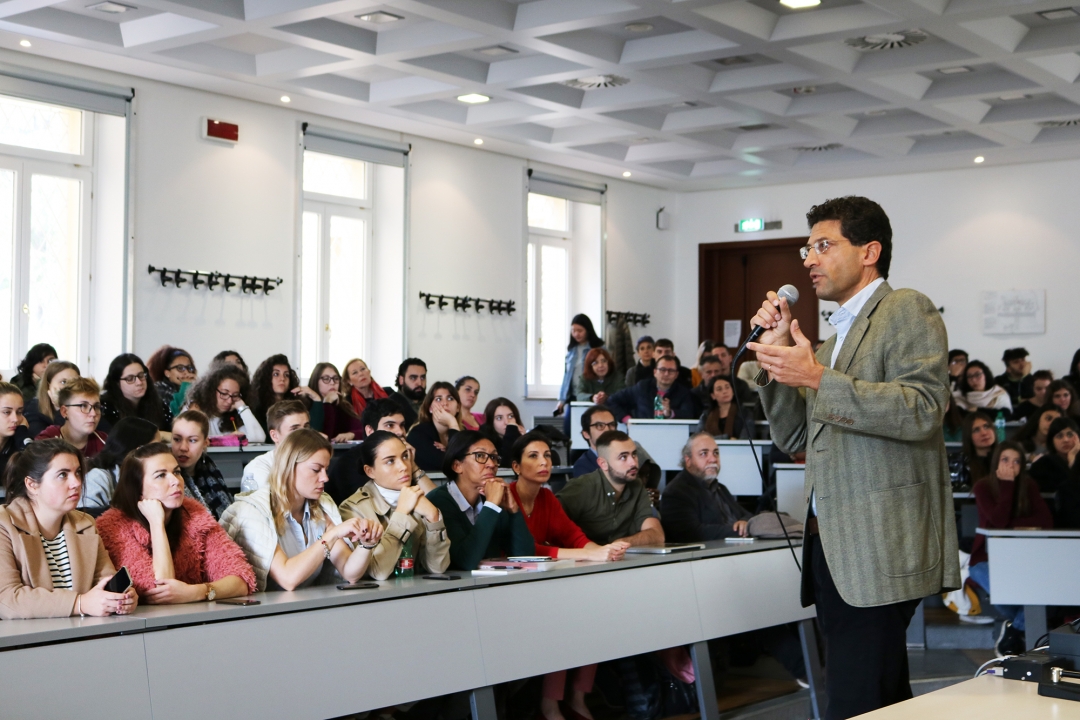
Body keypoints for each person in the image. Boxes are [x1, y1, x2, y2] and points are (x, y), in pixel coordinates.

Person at [746, 195, 958, 719]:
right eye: (807, 248)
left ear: (870, 251)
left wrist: (816, 375)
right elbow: (797, 436)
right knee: (878, 697)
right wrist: (777, 362)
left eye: (823, 245)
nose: (809, 260)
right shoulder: (837, 336)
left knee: (856, 699)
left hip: (880, 542)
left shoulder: (905, 308)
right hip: (835, 545)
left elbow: (924, 408)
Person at [509, 432, 627, 720]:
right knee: (562, 625)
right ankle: (550, 705)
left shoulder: (547, 497)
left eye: (547, 455)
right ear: (516, 467)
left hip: (542, 590)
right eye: (533, 456)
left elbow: (572, 535)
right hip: (509, 591)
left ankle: (577, 698)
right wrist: (586, 554)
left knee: (591, 620)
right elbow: (522, 550)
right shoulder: (506, 496)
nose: (544, 461)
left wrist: (604, 551)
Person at [219, 429, 382, 591]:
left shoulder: (322, 504)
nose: (325, 477)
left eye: (326, 469)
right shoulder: (252, 511)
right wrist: (331, 535)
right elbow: (288, 579)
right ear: (289, 467)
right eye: (316, 470)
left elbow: (349, 572)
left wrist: (366, 545)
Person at [96, 442, 257, 604]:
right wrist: (156, 524)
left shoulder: (194, 513)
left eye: (177, 472)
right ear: (137, 488)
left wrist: (197, 591)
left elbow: (242, 579)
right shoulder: (113, 526)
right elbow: (160, 591)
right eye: (161, 475)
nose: (175, 481)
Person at [0, 438, 137, 618]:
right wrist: (80, 603)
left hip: (81, 635)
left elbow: (104, 582)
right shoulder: (4, 524)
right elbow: (7, 599)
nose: (77, 483)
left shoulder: (85, 523)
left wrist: (119, 598)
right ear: (32, 485)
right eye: (63, 475)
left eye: (78, 472)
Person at [967, 442, 1053, 657]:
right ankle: (1021, 627)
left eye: (1016, 461)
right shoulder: (983, 487)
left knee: (1039, 590)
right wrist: (1007, 486)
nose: (1011, 466)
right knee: (1006, 590)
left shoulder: (1029, 486)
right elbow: (997, 521)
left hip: (1023, 558)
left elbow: (1045, 521)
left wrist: (1010, 523)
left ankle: (1014, 630)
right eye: (1005, 460)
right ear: (996, 462)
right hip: (984, 558)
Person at [338, 431, 449, 581]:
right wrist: (402, 513)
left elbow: (437, 567)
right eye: (390, 461)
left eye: (405, 456)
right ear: (370, 471)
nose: (403, 466)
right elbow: (380, 572)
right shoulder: (352, 508)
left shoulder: (418, 499)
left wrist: (434, 517)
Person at [427, 431, 535, 570]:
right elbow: (466, 561)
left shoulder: (491, 499)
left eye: (494, 457)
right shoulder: (439, 501)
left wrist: (513, 510)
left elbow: (525, 557)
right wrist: (490, 506)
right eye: (480, 456)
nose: (491, 464)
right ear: (457, 466)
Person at [557, 431, 664, 547]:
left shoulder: (636, 485)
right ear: (603, 464)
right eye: (623, 457)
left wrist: (619, 545)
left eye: (634, 454)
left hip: (620, 559)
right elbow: (550, 528)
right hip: (582, 560)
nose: (633, 462)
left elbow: (657, 534)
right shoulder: (581, 487)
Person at [660, 433, 751, 541]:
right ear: (688, 460)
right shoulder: (675, 492)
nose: (713, 459)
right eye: (704, 453)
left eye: (716, 453)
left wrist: (745, 522)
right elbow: (692, 533)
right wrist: (739, 531)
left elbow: (747, 515)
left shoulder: (720, 488)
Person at [80, 417, 159, 512]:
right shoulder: (97, 478)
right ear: (138, 450)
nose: (161, 453)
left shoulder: (149, 476)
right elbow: (87, 518)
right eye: (156, 448)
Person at [170, 410, 234, 519]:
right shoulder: (167, 478)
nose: (183, 447)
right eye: (177, 439)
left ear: (205, 443)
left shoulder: (211, 470)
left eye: (192, 440)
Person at [183, 363, 266, 443]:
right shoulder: (195, 407)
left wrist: (242, 407)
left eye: (235, 395)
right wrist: (228, 438)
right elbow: (191, 438)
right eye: (224, 393)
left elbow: (259, 437)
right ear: (211, 391)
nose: (229, 401)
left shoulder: (235, 416)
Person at [241, 400, 310, 493]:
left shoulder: (312, 462)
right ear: (274, 436)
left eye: (306, 427)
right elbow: (269, 504)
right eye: (294, 429)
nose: (304, 434)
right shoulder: (257, 468)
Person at [607, 355, 695, 421]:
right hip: (642, 433)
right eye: (662, 370)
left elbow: (689, 414)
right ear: (655, 372)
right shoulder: (642, 387)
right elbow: (612, 400)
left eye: (671, 371)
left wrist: (670, 413)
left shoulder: (683, 392)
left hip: (671, 435)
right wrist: (627, 419)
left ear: (676, 375)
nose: (666, 374)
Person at [36, 378, 108, 459]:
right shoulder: (47, 441)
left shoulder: (104, 441)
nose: (93, 413)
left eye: (96, 406)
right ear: (65, 412)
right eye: (83, 406)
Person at [99, 354, 172, 432]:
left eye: (141, 375)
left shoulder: (158, 404)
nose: (139, 382)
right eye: (130, 379)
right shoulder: (105, 407)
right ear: (116, 383)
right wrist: (160, 434)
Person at [406, 382, 463, 472]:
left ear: (458, 408)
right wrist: (452, 423)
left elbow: (470, 463)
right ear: (430, 408)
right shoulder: (418, 434)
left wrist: (448, 451)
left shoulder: (462, 432)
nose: (445, 403)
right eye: (439, 399)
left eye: (450, 398)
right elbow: (452, 466)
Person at [555, 314, 604, 417]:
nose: (576, 334)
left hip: (591, 395)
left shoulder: (599, 348)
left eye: (580, 330)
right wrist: (562, 400)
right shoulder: (571, 351)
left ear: (587, 330)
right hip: (573, 396)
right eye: (573, 330)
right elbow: (566, 377)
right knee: (568, 428)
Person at [251, 355, 312, 435]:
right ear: (266, 378)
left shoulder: (299, 403)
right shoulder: (257, 407)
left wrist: (317, 399)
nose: (282, 379)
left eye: (286, 375)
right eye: (276, 374)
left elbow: (312, 433)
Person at [305, 362, 363, 441]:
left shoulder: (343, 405)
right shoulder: (307, 405)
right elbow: (324, 437)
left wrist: (352, 434)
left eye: (335, 378)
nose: (332, 383)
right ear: (315, 381)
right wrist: (327, 403)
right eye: (326, 379)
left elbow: (363, 430)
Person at [24, 360, 79, 438]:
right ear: (48, 385)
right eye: (63, 382)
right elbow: (48, 444)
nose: (70, 387)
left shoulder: (84, 406)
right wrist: (59, 408)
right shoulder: (34, 409)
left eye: (75, 382)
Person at [1029, 417, 1080, 493]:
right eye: (1059, 436)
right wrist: (1071, 463)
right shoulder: (1042, 465)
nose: (1066, 440)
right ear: (1051, 441)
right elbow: (1066, 492)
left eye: (1070, 435)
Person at [949, 412, 997, 490]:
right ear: (968, 436)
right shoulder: (958, 462)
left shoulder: (1006, 458)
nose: (984, 433)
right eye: (976, 430)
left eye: (986, 426)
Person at [147, 346, 197, 414]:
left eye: (189, 368)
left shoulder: (194, 389)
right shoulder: (159, 390)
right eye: (180, 368)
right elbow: (177, 414)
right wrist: (186, 385)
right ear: (167, 373)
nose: (186, 372)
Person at [479, 397, 526, 469]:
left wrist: (525, 441)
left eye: (510, 416)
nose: (507, 422)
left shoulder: (518, 435)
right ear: (491, 422)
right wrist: (511, 431)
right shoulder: (484, 441)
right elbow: (506, 463)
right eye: (499, 418)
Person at [0, 383, 32, 479]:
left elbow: (35, 464)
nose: (15, 419)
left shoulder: (19, 441)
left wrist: (22, 432)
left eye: (19, 412)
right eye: (6, 412)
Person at [388, 358, 427, 429]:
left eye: (422, 378)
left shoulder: (431, 401)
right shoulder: (390, 404)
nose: (419, 383)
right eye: (413, 378)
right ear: (401, 380)